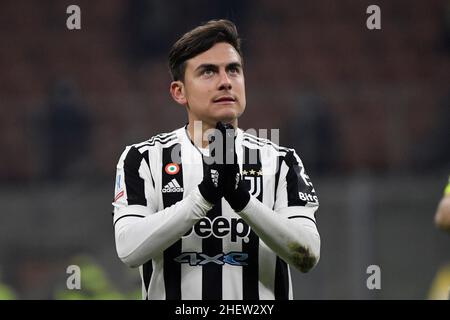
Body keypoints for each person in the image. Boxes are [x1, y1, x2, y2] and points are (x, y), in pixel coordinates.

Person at [112, 19, 321, 300]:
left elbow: (307, 255)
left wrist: (243, 201)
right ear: (179, 92)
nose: (225, 82)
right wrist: (202, 198)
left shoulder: (281, 161)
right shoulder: (142, 159)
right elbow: (129, 249)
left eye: (233, 70)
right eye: (208, 72)